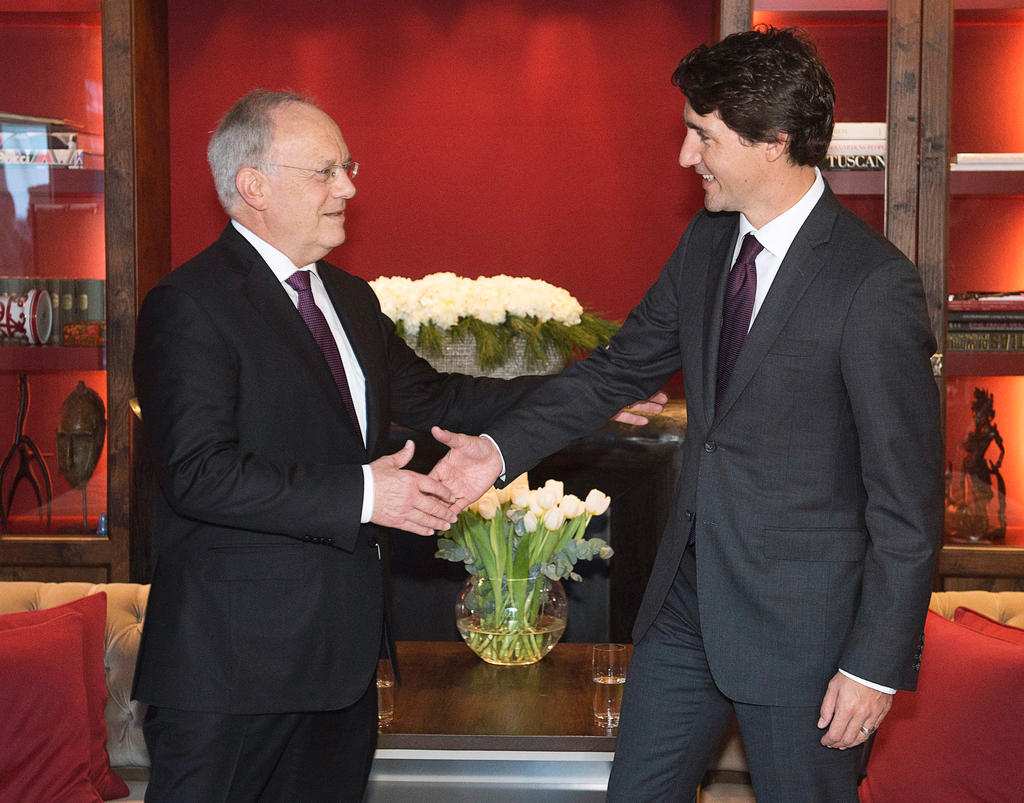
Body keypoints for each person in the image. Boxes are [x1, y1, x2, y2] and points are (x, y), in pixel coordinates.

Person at [430, 26, 943, 802]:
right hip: (687, 605)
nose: (684, 156)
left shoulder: (872, 286)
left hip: (806, 635)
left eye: (703, 135)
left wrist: (872, 664)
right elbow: (618, 368)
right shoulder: (707, 245)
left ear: (772, 141)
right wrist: (495, 452)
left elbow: (907, 504)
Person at [131, 88, 663, 802]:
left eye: (347, 166)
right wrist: (366, 493)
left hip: (341, 668)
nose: (349, 186)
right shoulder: (188, 305)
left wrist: (590, 398)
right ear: (252, 185)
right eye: (326, 171)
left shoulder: (348, 298)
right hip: (228, 674)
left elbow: (442, 402)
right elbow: (197, 473)